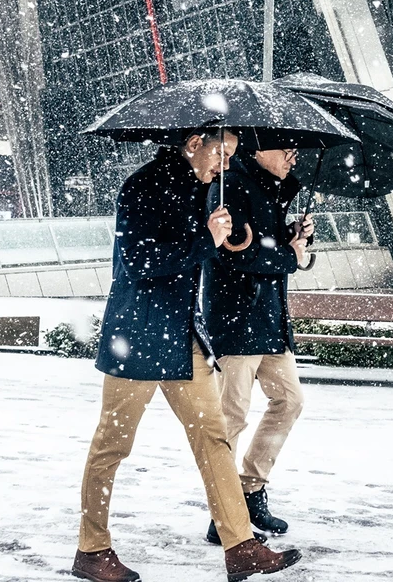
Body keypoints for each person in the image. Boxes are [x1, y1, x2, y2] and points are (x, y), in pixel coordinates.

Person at [73, 130, 302, 582]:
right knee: (112, 446)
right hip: (137, 337)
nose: (225, 163)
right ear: (194, 142)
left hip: (181, 337)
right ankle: (92, 550)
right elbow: (141, 262)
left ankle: (240, 546)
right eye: (221, 152)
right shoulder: (143, 186)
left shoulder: (204, 188)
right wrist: (206, 241)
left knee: (213, 436)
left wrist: (230, 238)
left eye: (233, 156)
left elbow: (214, 250)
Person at [200, 147, 313, 544]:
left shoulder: (273, 190)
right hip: (236, 319)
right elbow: (235, 255)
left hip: (268, 320)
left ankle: (249, 489)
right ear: (260, 148)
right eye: (287, 149)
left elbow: (268, 249)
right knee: (230, 417)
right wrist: (288, 254)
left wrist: (293, 238)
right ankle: (224, 513)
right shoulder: (228, 187)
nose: (293, 158)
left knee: (289, 401)